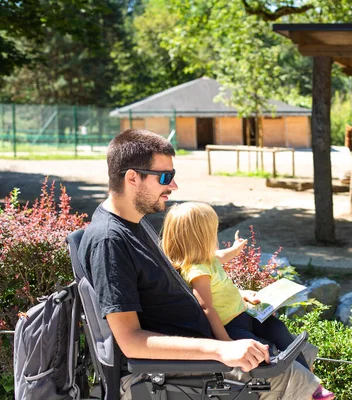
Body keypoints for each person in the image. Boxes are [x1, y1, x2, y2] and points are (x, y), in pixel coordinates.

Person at [78, 128, 321, 400]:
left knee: (301, 354)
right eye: (165, 177)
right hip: (186, 370)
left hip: (204, 356)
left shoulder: (135, 225)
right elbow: (130, 341)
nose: (173, 186)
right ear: (132, 177)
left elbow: (171, 285)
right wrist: (222, 350)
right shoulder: (109, 241)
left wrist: (235, 296)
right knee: (300, 382)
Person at [161, 202, 335, 400]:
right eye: (213, 231)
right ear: (201, 237)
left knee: (279, 330)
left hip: (244, 314)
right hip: (231, 327)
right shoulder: (197, 271)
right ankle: (309, 389)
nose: (216, 236)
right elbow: (206, 307)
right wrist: (225, 343)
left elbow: (224, 257)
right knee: (265, 351)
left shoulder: (207, 258)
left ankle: (311, 381)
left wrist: (237, 250)